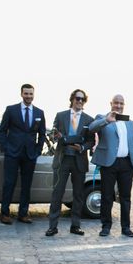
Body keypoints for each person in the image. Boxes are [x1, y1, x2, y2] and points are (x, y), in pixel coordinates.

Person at [45, 89, 95, 236]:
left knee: (79, 195)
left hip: (79, 160)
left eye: (82, 99)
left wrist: (83, 147)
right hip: (63, 159)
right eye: (77, 98)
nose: (80, 101)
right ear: (72, 99)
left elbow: (91, 141)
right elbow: (53, 135)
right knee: (57, 193)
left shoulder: (89, 119)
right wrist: (55, 136)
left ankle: (75, 226)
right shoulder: (60, 116)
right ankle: (52, 226)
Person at [89, 94, 133, 237]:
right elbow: (92, 128)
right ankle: (106, 226)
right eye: (116, 103)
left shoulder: (129, 122)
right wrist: (106, 120)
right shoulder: (103, 117)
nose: (118, 106)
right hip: (109, 163)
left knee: (125, 197)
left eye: (121, 103)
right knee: (107, 195)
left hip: (126, 164)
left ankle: (126, 227)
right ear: (111, 103)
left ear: (124, 105)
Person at [0, 83, 46, 225]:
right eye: (26, 94)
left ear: (34, 94)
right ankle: (5, 213)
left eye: (31, 94)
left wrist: (38, 150)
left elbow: (42, 134)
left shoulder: (39, 112)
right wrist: (6, 148)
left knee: (26, 185)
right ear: (21, 94)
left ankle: (23, 214)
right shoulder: (11, 110)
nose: (28, 96)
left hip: (30, 154)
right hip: (12, 153)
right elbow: (2, 131)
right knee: (9, 183)